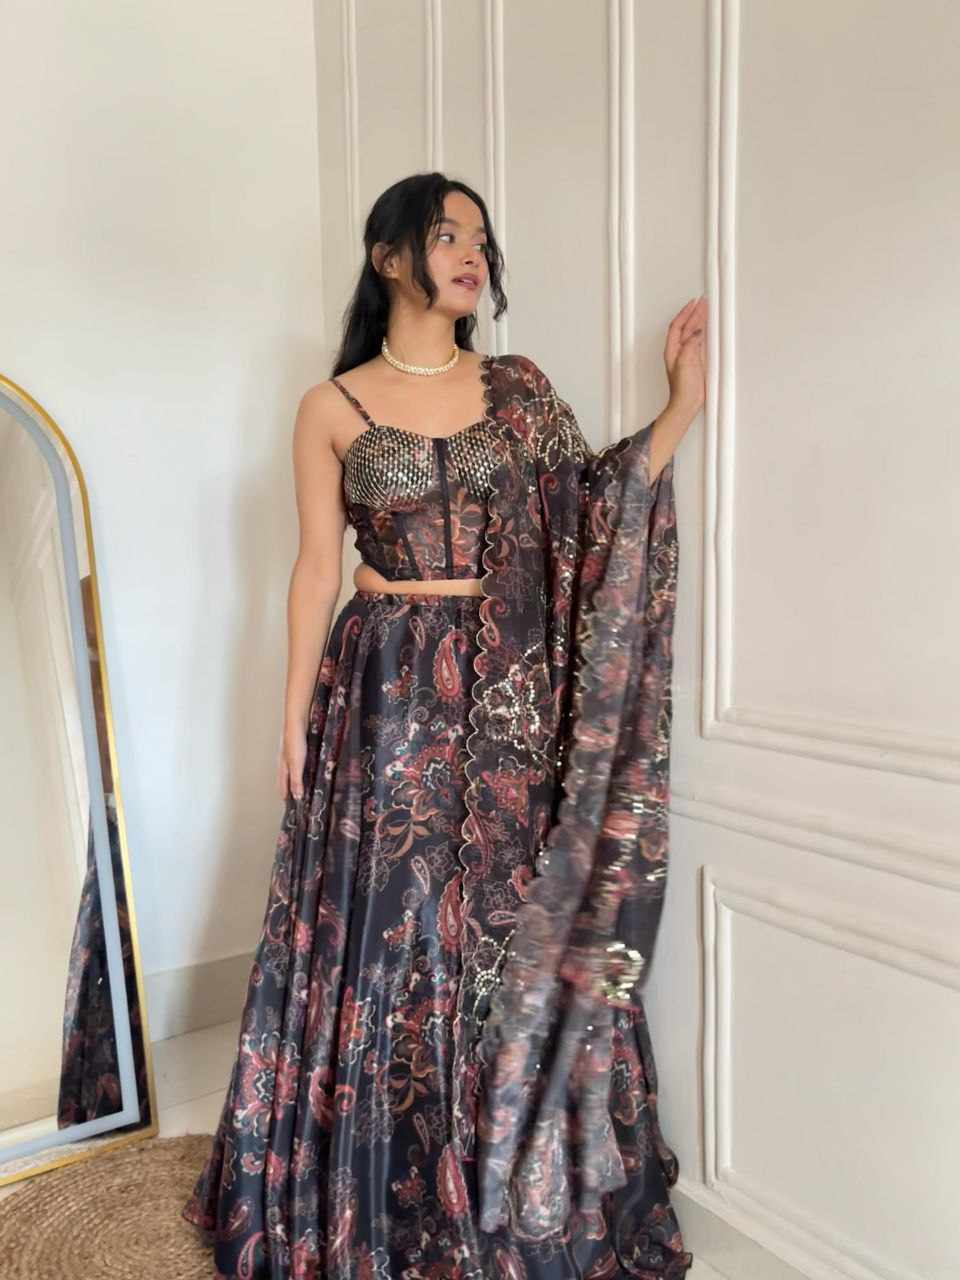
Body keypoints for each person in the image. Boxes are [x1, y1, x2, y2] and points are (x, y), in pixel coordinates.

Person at [181, 171, 706, 1279]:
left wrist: (677, 412)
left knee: (505, 927)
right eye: (446, 234)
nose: (472, 253)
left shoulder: (517, 387)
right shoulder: (332, 405)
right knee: (394, 929)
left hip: (508, 692)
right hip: (382, 688)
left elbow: (588, 509)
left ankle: (506, 1179)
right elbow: (314, 569)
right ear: (389, 257)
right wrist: (291, 720)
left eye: (480, 237)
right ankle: (387, 1183)